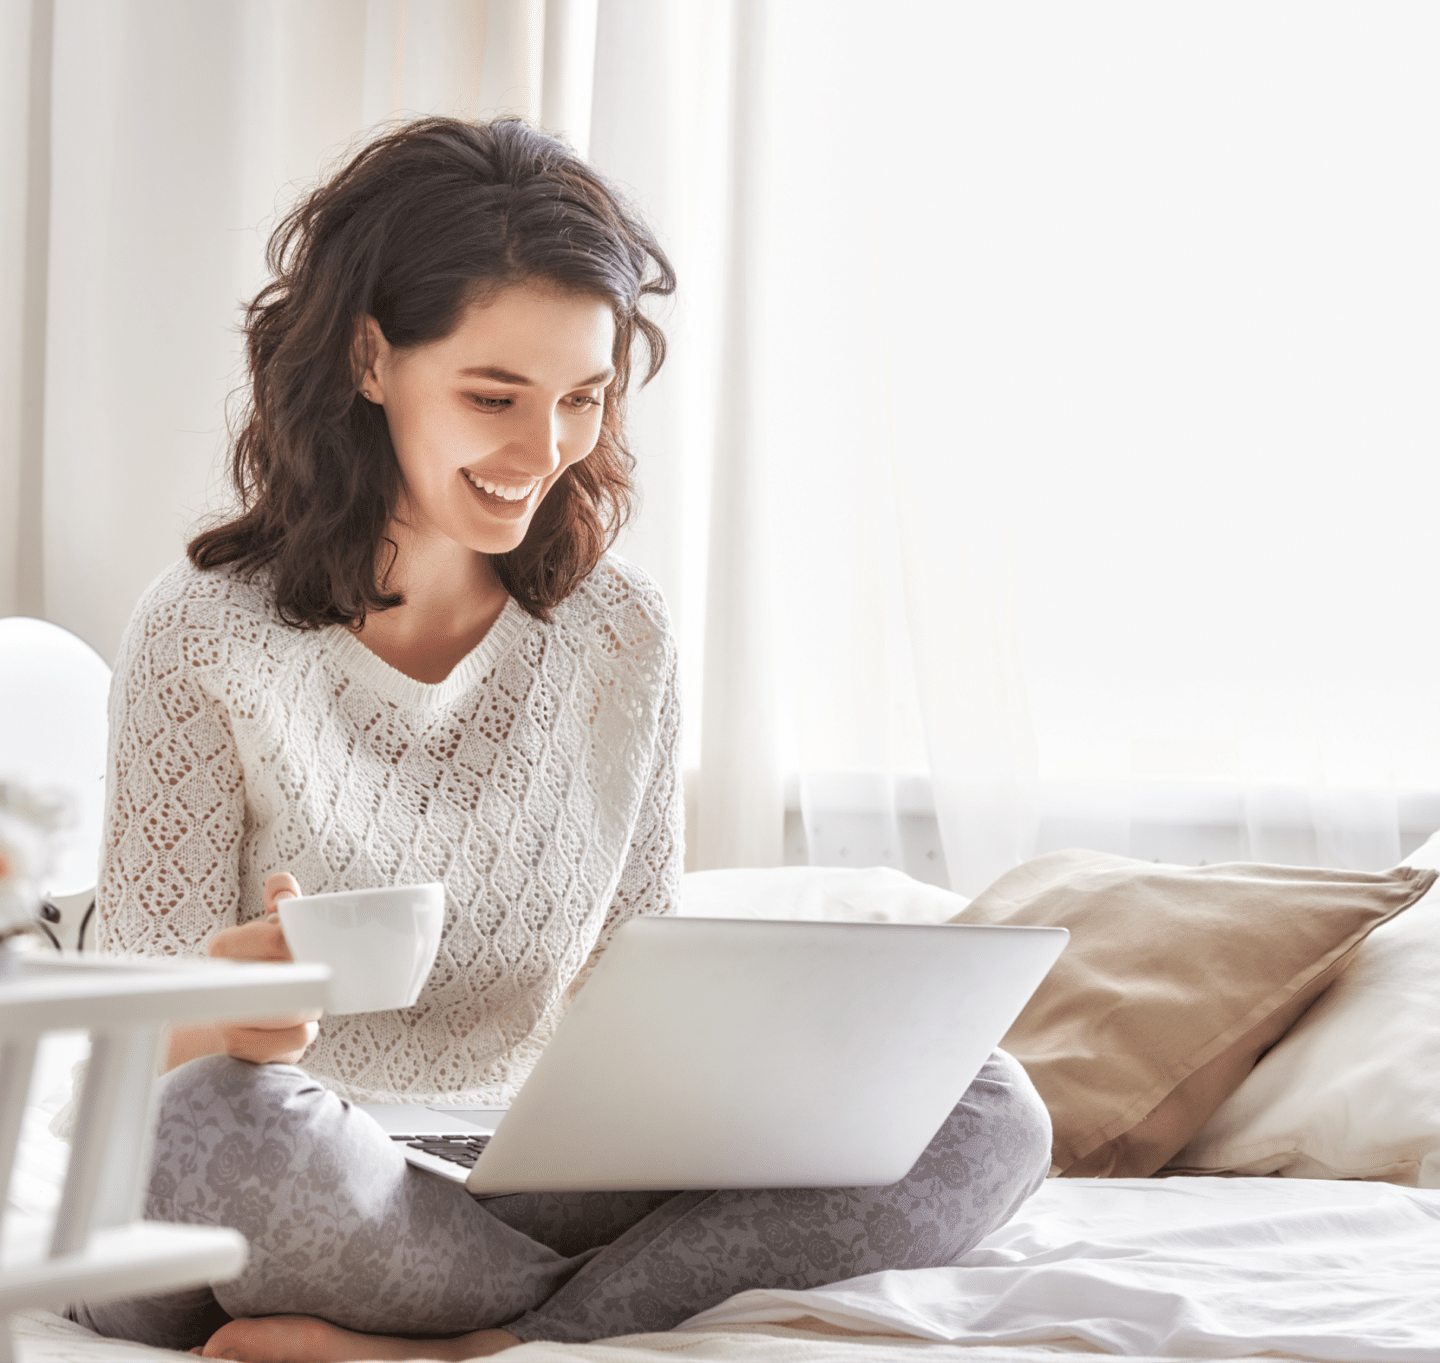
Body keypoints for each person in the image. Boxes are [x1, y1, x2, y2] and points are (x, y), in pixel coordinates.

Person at [72, 117, 1052, 1362]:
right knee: (217, 1128)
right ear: (372, 358)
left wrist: (765, 1063)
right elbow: (136, 1057)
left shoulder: (619, 637)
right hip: (258, 1173)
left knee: (988, 1104)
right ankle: (594, 1310)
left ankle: (468, 1346)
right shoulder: (204, 632)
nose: (544, 453)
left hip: (512, 1173)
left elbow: (626, 992)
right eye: (495, 396)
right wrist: (240, 1011)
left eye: (582, 400)